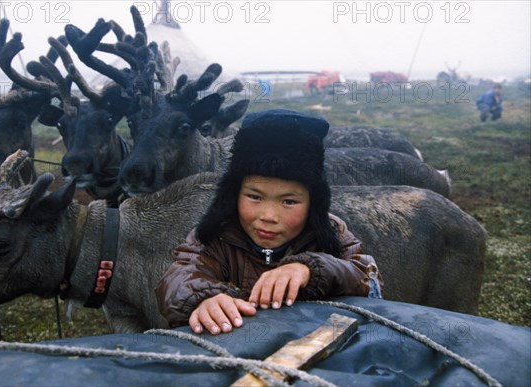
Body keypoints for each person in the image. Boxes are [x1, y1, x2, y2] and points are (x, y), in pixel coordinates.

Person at [155, 109, 383, 335]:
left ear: (314, 203)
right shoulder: (215, 235)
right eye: (254, 197)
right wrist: (204, 299)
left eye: (289, 201)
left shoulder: (331, 233)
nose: (269, 216)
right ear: (233, 194)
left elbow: (368, 278)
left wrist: (311, 269)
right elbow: (178, 279)